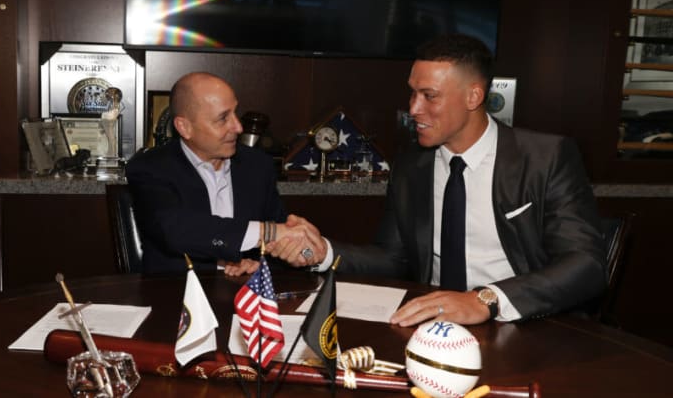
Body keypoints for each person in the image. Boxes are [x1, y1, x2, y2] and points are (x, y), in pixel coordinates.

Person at [270, 34, 608, 326]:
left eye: (429, 95)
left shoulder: (544, 158)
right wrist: (324, 252)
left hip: (523, 324)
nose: (414, 108)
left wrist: (484, 301)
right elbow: (394, 258)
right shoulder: (410, 164)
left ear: (474, 97)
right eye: (412, 93)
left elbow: (586, 264)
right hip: (430, 327)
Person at [126, 72, 323, 275]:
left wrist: (265, 262)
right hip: (174, 295)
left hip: (243, 296)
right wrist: (268, 232)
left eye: (235, 113)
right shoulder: (150, 167)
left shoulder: (256, 165)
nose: (238, 127)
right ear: (184, 127)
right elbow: (177, 231)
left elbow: (280, 243)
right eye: (222, 119)